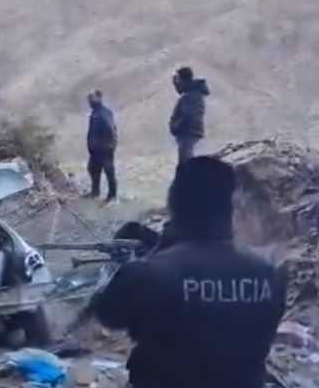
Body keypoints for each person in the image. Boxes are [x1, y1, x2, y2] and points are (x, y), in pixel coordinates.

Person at [91, 157, 287, 388]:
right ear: (229, 206)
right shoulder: (270, 274)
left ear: (174, 202)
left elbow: (107, 313)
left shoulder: (149, 273)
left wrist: (126, 263)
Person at [168, 66, 210, 164]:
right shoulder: (192, 94)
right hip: (189, 133)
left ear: (184, 80)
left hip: (188, 133)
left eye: (177, 80)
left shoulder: (190, 96)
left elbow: (188, 116)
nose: (175, 84)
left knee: (185, 162)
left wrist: (176, 127)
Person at [85, 90, 119, 202]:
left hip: (104, 149)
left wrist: (111, 145)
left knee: (109, 171)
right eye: (89, 98)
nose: (89, 101)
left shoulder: (104, 113)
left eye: (92, 98)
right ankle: (95, 192)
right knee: (93, 169)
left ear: (99, 98)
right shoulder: (94, 113)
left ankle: (112, 196)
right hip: (95, 150)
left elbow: (111, 130)